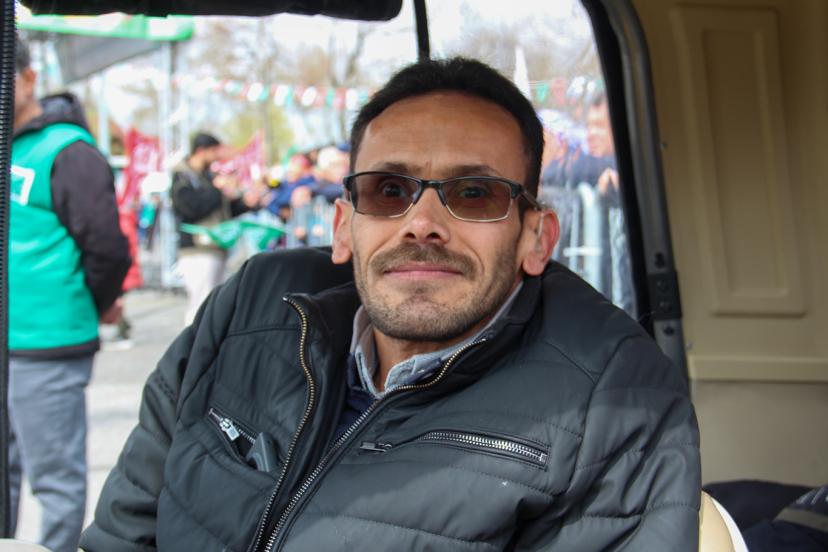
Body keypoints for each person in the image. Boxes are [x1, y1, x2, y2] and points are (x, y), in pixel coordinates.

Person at [81, 57, 700, 551]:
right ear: (343, 228)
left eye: (474, 193)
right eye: (388, 190)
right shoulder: (249, 309)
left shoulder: (615, 401)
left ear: (536, 238)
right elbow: (123, 532)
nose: (421, 223)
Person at [9, 37, 130, 552]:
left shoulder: (67, 152)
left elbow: (107, 249)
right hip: (11, 342)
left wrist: (92, 305)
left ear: (28, 79)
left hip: (45, 345)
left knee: (55, 479)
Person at [171, 132, 256, 324]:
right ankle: (192, 342)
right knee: (200, 306)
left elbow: (220, 212)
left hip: (215, 247)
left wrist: (245, 204)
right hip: (197, 249)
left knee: (212, 306)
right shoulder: (183, 176)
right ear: (202, 151)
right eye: (214, 151)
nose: (217, 156)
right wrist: (216, 190)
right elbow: (191, 208)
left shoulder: (206, 176)